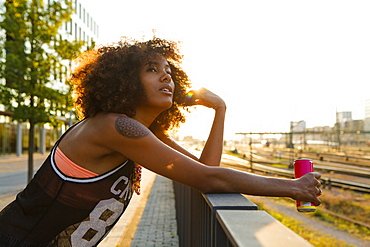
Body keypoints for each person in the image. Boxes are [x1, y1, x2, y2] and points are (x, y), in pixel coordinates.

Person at [0, 37, 322, 247]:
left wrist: (220, 110)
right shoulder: (115, 126)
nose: (166, 77)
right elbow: (208, 177)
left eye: (168, 71)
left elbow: (204, 170)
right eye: (152, 70)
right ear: (124, 80)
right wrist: (292, 187)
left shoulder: (138, 132)